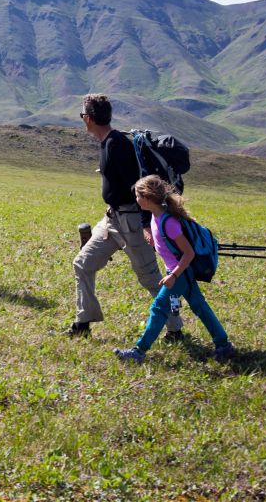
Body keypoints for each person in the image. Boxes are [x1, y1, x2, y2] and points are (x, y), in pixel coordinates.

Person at [67, 94, 184, 338]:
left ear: (88, 119)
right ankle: (83, 323)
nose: (82, 120)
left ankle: (175, 329)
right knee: (82, 264)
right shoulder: (107, 142)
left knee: (150, 277)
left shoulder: (117, 145)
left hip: (131, 222)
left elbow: (138, 187)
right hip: (112, 220)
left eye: (82, 116)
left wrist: (145, 224)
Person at [115, 175, 235, 363]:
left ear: (147, 198)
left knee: (159, 307)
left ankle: (139, 351)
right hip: (178, 272)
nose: (136, 199)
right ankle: (224, 344)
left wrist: (174, 275)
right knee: (200, 306)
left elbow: (189, 253)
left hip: (180, 272)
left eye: (138, 196)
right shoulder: (156, 217)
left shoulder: (168, 222)